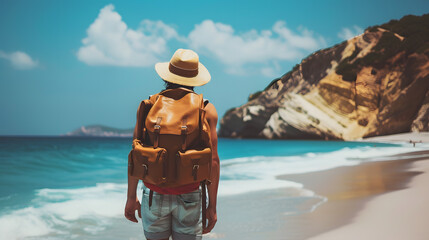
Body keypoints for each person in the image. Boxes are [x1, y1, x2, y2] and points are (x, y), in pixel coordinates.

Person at [125, 48, 220, 240]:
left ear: (168, 75)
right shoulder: (206, 109)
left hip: (154, 194)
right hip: (191, 195)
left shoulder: (149, 106)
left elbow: (136, 155)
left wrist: (130, 197)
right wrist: (212, 206)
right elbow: (213, 162)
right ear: (195, 78)